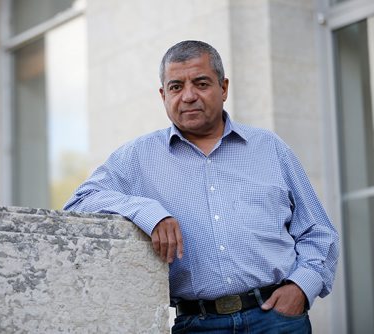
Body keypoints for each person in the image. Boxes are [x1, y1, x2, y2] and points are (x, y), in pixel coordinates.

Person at [64, 40, 339, 333]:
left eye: (201, 83)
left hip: (276, 319)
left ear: (224, 88)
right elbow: (79, 202)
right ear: (163, 95)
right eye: (176, 87)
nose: (189, 96)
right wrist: (147, 212)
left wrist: (300, 289)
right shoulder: (138, 157)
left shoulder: (269, 148)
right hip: (198, 324)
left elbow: (318, 232)